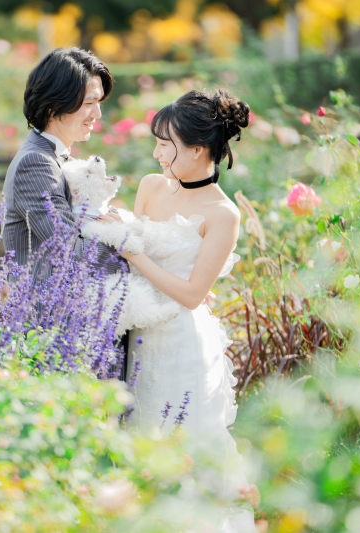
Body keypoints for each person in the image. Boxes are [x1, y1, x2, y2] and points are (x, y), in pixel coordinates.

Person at [116, 88, 257, 531]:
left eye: (166, 144)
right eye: (157, 142)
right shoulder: (151, 186)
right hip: (140, 334)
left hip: (181, 344)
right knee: (139, 446)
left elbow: (194, 294)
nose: (157, 154)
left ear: (197, 150)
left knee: (186, 446)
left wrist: (133, 253)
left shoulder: (223, 213)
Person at [2, 47, 129, 380]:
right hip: (52, 330)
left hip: (75, 324)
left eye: (99, 103)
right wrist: (137, 254)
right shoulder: (36, 163)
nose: (97, 115)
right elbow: (70, 251)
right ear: (53, 105)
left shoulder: (58, 160)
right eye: (89, 103)